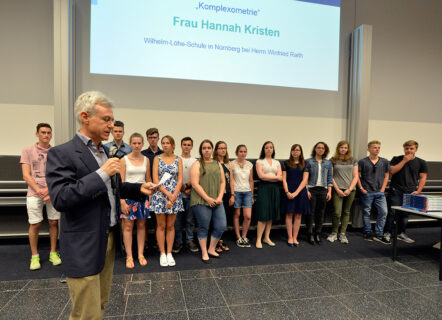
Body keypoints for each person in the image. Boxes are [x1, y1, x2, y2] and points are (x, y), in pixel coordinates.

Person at [46, 91, 155, 320]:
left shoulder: (103, 151)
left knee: (100, 304)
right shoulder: (62, 153)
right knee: (87, 312)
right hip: (83, 243)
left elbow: (110, 189)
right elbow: (61, 198)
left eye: (112, 120)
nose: (111, 125)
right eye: (106, 119)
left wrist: (137, 189)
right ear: (85, 116)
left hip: (107, 237)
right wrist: (101, 173)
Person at [21, 123, 61, 270]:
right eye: (43, 132)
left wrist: (49, 191)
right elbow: (26, 175)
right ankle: (34, 256)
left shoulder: (56, 152)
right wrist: (40, 191)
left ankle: (53, 252)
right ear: (37, 134)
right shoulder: (27, 151)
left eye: (49, 133)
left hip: (52, 191)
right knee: (35, 224)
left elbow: (58, 175)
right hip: (34, 192)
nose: (46, 135)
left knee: (53, 222)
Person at [383, 140, 428, 243]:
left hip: (410, 191)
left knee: (405, 214)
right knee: (392, 212)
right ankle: (387, 233)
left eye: (411, 148)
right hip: (396, 189)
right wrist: (404, 161)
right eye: (406, 148)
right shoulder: (397, 159)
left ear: (416, 149)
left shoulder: (421, 162)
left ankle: (401, 233)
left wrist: (418, 191)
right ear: (404, 149)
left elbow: (423, 177)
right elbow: (392, 171)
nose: (408, 150)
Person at [190, 139, 226, 263]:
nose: (207, 150)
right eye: (204, 148)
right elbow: (194, 184)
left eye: (209, 148)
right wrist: (207, 198)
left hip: (217, 201)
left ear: (212, 150)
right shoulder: (197, 164)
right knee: (203, 227)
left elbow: (222, 182)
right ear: (201, 150)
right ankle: (204, 252)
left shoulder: (217, 164)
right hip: (201, 200)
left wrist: (220, 197)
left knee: (221, 226)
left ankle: (211, 249)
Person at [150, 135, 184, 267]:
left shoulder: (178, 159)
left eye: (168, 143)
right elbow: (155, 180)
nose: (165, 145)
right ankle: (162, 253)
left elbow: (180, 179)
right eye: (163, 143)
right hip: (160, 195)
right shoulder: (157, 159)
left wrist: (174, 196)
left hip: (175, 195)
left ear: (173, 145)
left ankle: (169, 253)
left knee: (170, 226)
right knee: (161, 226)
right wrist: (168, 194)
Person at [119, 133, 151, 269]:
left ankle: (140, 254)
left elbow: (148, 179)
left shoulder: (146, 160)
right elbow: (120, 182)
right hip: (128, 198)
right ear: (130, 144)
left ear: (143, 144)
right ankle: (129, 256)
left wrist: (151, 194)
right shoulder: (124, 159)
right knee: (127, 226)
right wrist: (122, 201)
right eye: (134, 143)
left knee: (142, 226)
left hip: (143, 197)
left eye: (139, 143)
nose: (137, 145)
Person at [357, 140, 391, 244]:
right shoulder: (362, 162)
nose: (377, 149)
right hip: (367, 192)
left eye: (378, 147)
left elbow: (386, 176)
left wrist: (383, 189)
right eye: (374, 147)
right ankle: (367, 231)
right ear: (368, 149)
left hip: (380, 192)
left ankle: (379, 233)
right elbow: (357, 176)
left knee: (384, 212)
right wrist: (361, 188)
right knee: (366, 212)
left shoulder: (384, 161)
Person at [327, 141, 359, 244]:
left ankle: (343, 234)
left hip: (350, 190)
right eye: (341, 147)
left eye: (345, 148)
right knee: (337, 212)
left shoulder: (353, 160)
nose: (343, 149)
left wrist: (349, 189)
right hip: (337, 189)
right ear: (338, 148)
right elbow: (330, 177)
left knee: (346, 212)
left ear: (348, 149)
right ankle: (334, 232)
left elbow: (355, 176)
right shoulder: (332, 160)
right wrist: (337, 189)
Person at [173, 137, 199, 253]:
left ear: (192, 147)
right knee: (177, 221)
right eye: (184, 144)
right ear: (181, 146)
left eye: (189, 145)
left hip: (191, 195)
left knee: (190, 220)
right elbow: (173, 177)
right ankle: (178, 240)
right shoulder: (176, 159)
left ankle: (189, 240)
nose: (186, 147)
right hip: (178, 195)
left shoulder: (195, 161)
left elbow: (198, 178)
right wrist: (181, 189)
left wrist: (189, 188)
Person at [282, 144, 310, 247]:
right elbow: (284, 179)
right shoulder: (286, 163)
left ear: (301, 152)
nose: (295, 152)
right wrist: (287, 192)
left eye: (297, 150)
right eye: (293, 150)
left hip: (300, 192)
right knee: (289, 214)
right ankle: (289, 237)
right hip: (288, 191)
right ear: (291, 152)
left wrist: (296, 193)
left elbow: (304, 180)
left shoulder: (305, 163)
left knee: (298, 215)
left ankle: (295, 237)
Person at [255, 141, 282, 248]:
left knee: (270, 214)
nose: (269, 149)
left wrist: (271, 177)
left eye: (271, 147)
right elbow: (261, 176)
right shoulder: (259, 161)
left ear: (273, 149)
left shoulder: (277, 162)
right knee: (263, 214)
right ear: (263, 149)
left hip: (274, 189)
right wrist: (275, 178)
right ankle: (258, 239)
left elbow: (281, 177)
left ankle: (266, 237)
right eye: (267, 147)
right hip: (264, 188)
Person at [305, 142, 333, 245]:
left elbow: (330, 178)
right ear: (315, 149)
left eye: (322, 148)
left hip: (323, 190)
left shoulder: (328, 163)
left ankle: (318, 233)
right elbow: (305, 179)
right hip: (312, 189)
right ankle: (310, 233)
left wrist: (329, 191)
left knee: (320, 213)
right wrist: (306, 190)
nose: (320, 149)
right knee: (310, 213)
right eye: (318, 148)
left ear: (325, 150)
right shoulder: (308, 162)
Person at [231, 144, 254, 248]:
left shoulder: (249, 164)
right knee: (237, 214)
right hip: (236, 191)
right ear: (237, 153)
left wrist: (252, 195)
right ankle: (238, 236)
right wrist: (232, 194)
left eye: (245, 151)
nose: (243, 153)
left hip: (247, 192)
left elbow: (251, 180)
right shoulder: (231, 164)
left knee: (248, 216)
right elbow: (230, 180)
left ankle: (244, 236)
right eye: (241, 151)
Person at [213, 141, 233, 253]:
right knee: (216, 219)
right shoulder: (213, 163)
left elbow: (231, 181)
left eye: (224, 148)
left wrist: (233, 195)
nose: (223, 150)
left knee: (225, 219)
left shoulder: (229, 164)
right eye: (220, 148)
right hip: (217, 195)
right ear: (216, 150)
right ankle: (214, 241)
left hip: (227, 194)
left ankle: (220, 240)